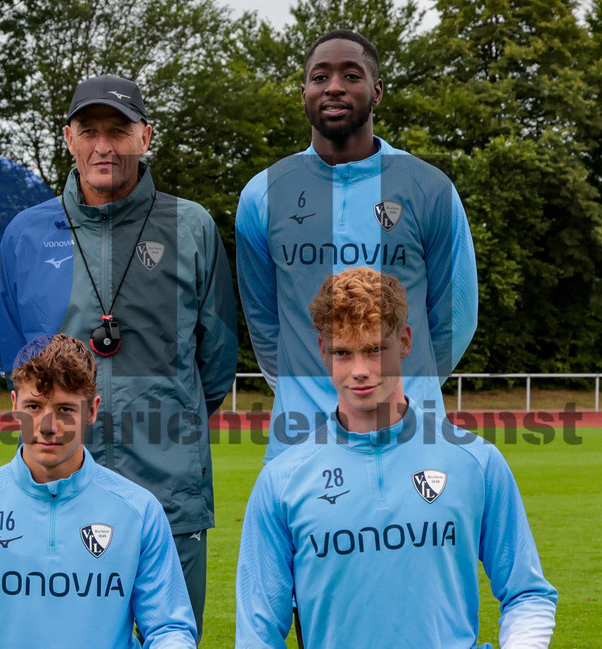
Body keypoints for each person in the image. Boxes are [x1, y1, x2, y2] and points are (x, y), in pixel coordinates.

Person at [0, 75, 237, 638]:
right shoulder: (27, 232)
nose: (104, 145)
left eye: (119, 130)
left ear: (145, 136)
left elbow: (217, 359)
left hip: (169, 490)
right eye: (90, 131)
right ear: (69, 138)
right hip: (55, 490)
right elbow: (17, 358)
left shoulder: (192, 226)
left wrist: (163, 419)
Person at [235, 268, 557, 647]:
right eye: (343, 352)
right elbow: (258, 632)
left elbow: (527, 593)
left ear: (404, 342)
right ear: (323, 351)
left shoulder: (475, 462)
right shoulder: (282, 481)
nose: (360, 371)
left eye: (375, 350)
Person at [236, 29, 478, 463]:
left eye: (351, 75)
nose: (333, 86)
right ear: (304, 91)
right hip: (301, 437)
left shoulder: (430, 187)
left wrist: (406, 383)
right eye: (319, 76)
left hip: (412, 433)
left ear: (377, 91)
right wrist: (303, 388)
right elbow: (263, 319)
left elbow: (455, 319)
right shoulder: (263, 194)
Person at [0, 334, 197, 647]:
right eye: (34, 406)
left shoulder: (139, 511)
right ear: (14, 406)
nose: (48, 425)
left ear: (92, 411)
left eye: (65, 409)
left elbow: (169, 629)